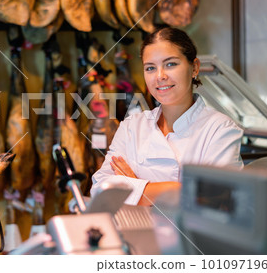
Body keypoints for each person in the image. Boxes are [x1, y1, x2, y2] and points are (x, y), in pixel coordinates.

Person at [90, 27, 244, 206]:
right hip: (132, 232)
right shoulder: (133, 126)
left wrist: (135, 187)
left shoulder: (220, 129)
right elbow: (100, 188)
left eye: (170, 64)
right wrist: (179, 189)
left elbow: (216, 198)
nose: (160, 76)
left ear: (194, 68)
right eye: (150, 68)